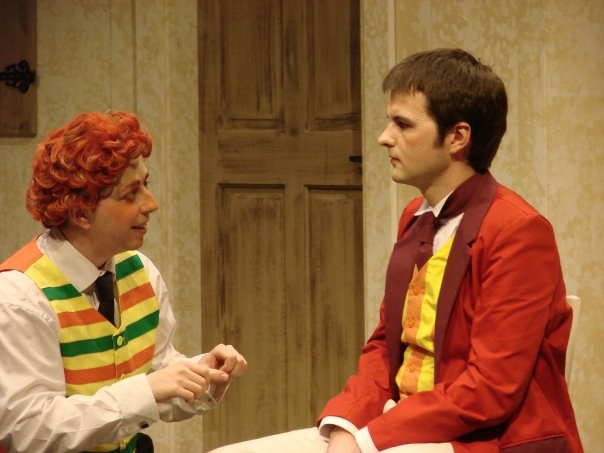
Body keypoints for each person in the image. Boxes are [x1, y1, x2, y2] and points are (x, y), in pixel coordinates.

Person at [209, 49, 583, 452]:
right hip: (402, 423)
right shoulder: (416, 217)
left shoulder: (518, 230)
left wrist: (369, 439)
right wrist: (345, 427)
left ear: (457, 137)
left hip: (482, 439)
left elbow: (491, 388)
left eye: (402, 124)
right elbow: (385, 346)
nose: (384, 137)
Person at [0, 111, 248, 452]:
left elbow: (157, 373)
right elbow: (30, 430)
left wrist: (200, 374)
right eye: (131, 194)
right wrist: (145, 391)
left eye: (147, 184)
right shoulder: (21, 298)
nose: (151, 204)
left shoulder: (140, 272)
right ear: (81, 212)